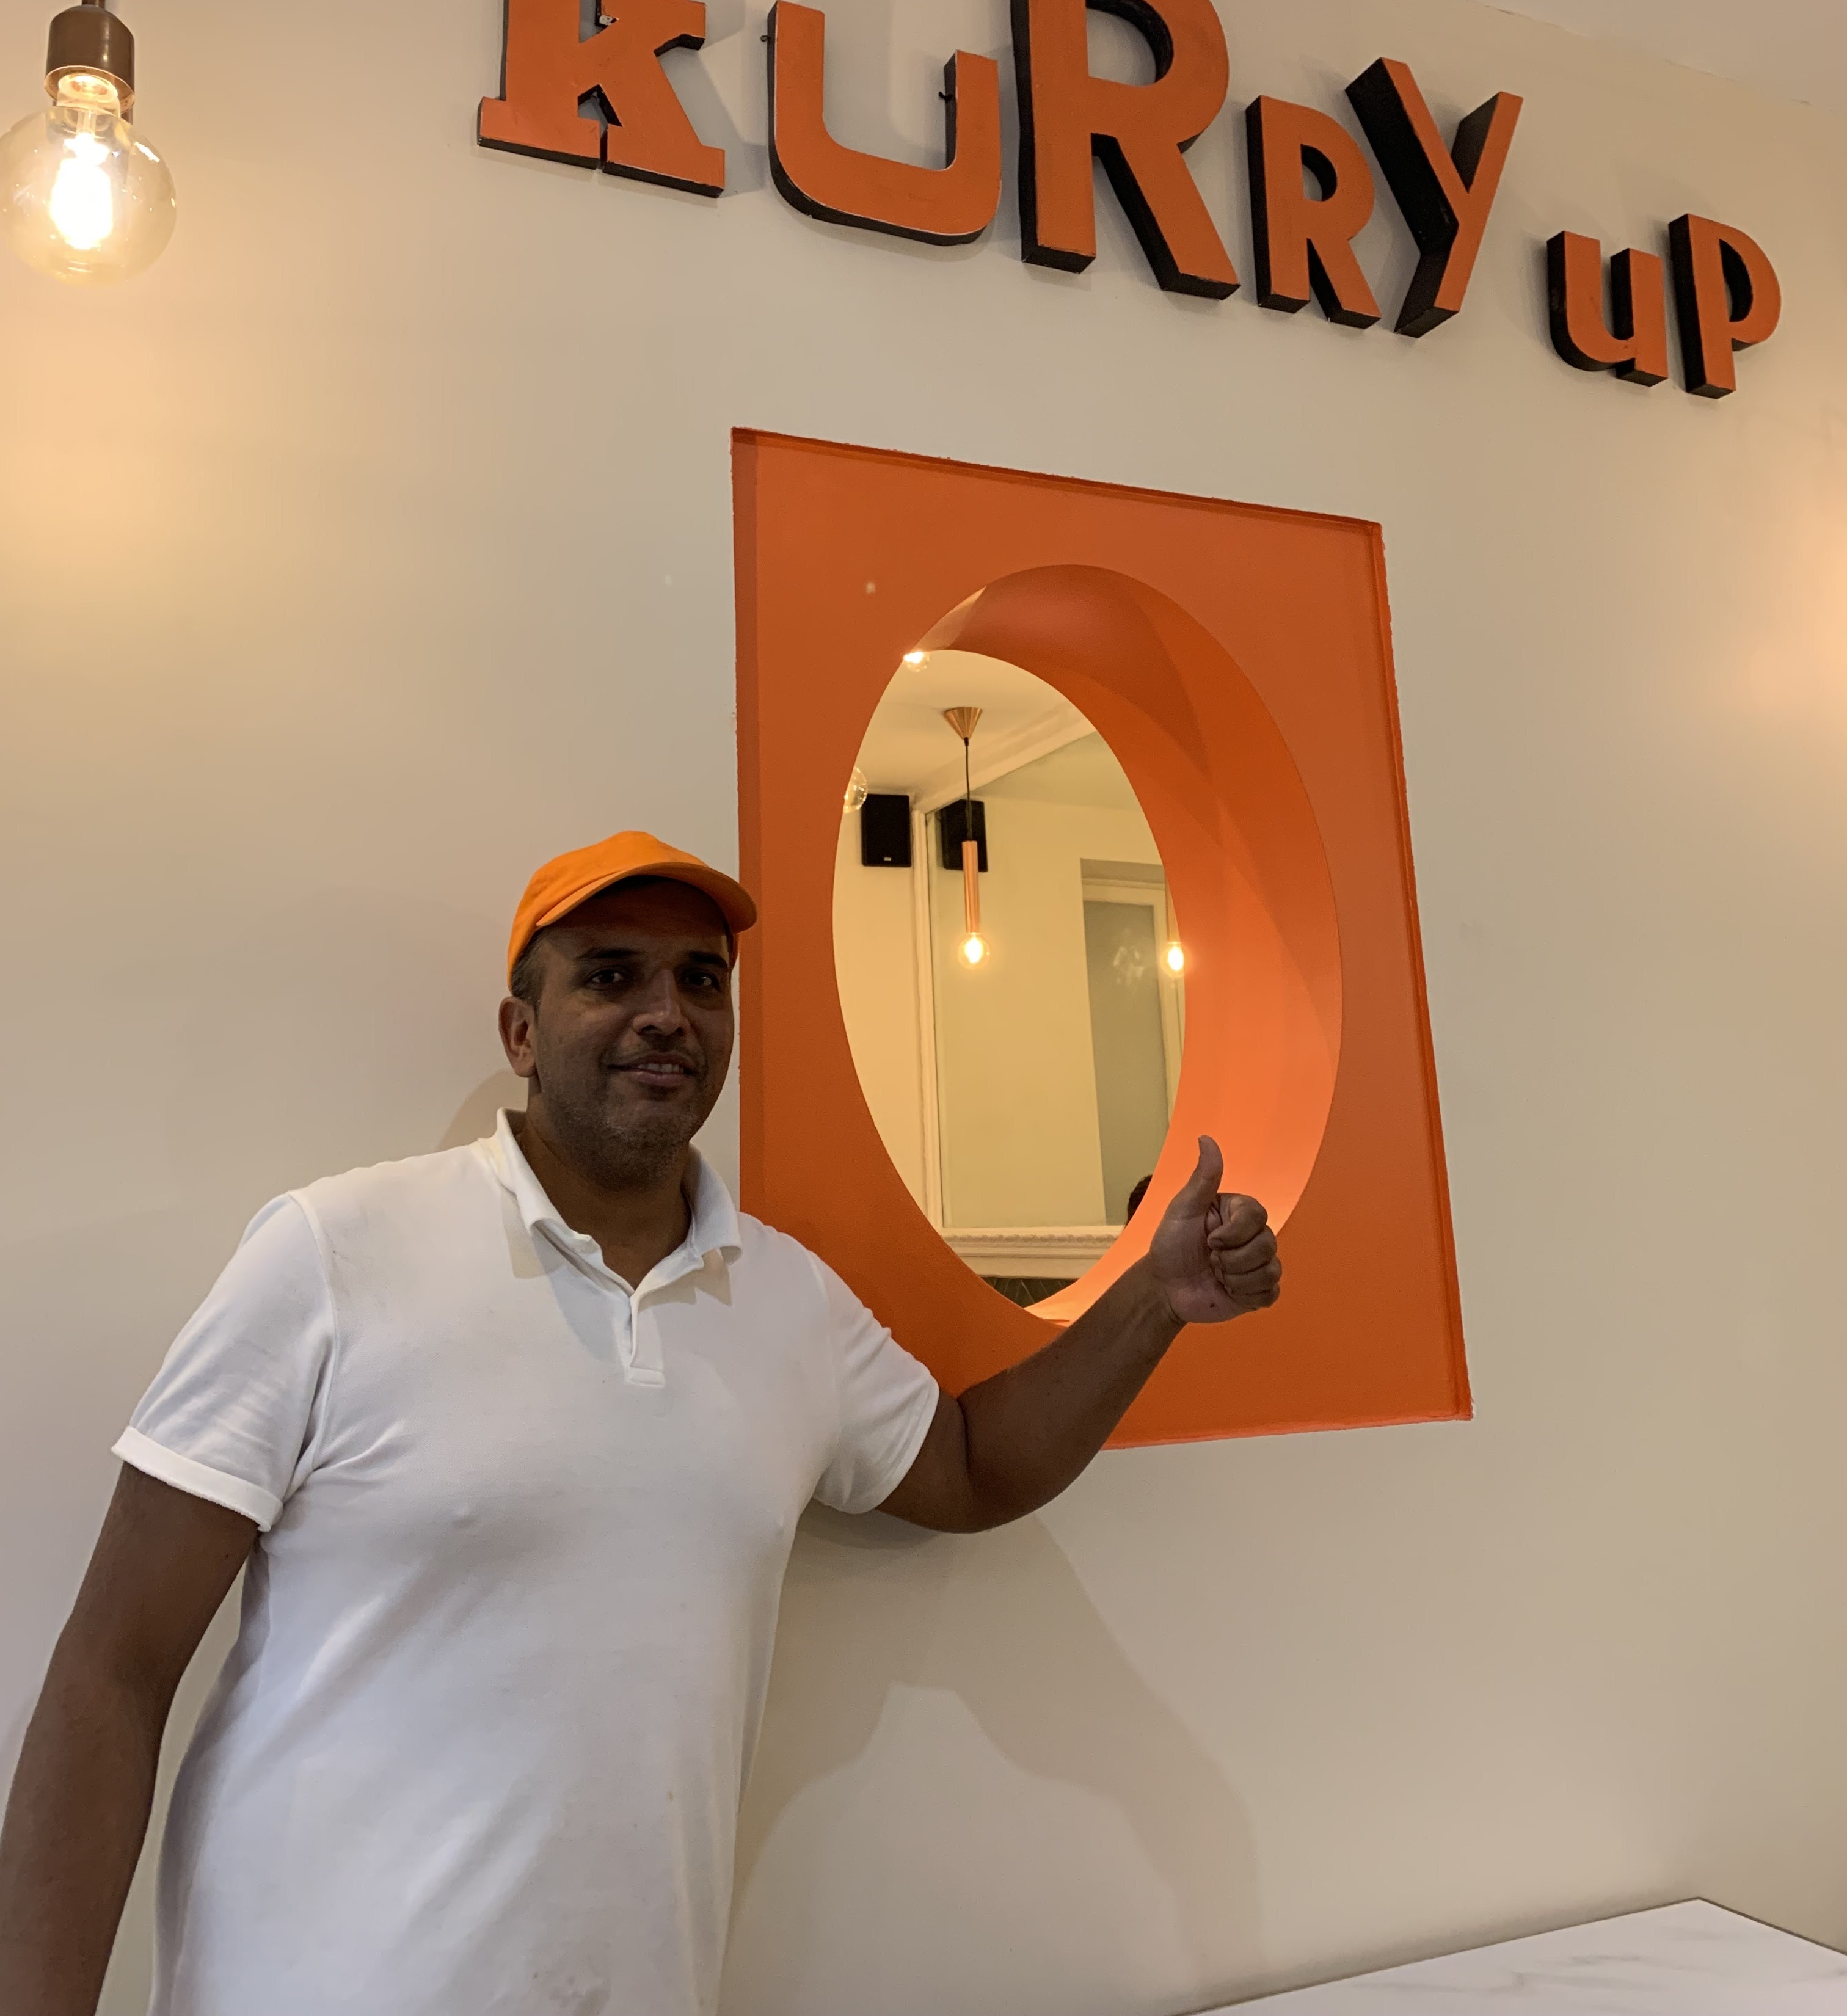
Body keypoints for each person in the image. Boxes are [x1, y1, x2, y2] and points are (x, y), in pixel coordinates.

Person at [0, 829, 1281, 2016]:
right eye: (610, 975)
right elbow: (114, 1669)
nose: (666, 1012)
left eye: (701, 981)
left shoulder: (786, 1301)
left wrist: (1153, 1303)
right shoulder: (332, 1254)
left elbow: (970, 1463)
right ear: (521, 1029)